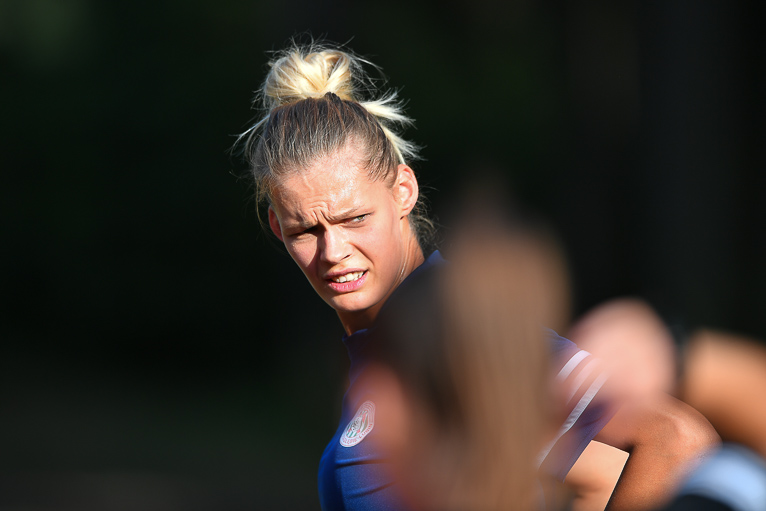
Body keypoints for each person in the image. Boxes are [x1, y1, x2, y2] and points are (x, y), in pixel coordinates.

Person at [238, 41, 719, 511]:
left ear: (403, 191)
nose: (334, 252)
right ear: (277, 228)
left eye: (355, 218)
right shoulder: (386, 354)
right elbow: (594, 477)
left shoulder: (458, 324)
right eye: (305, 230)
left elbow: (676, 438)